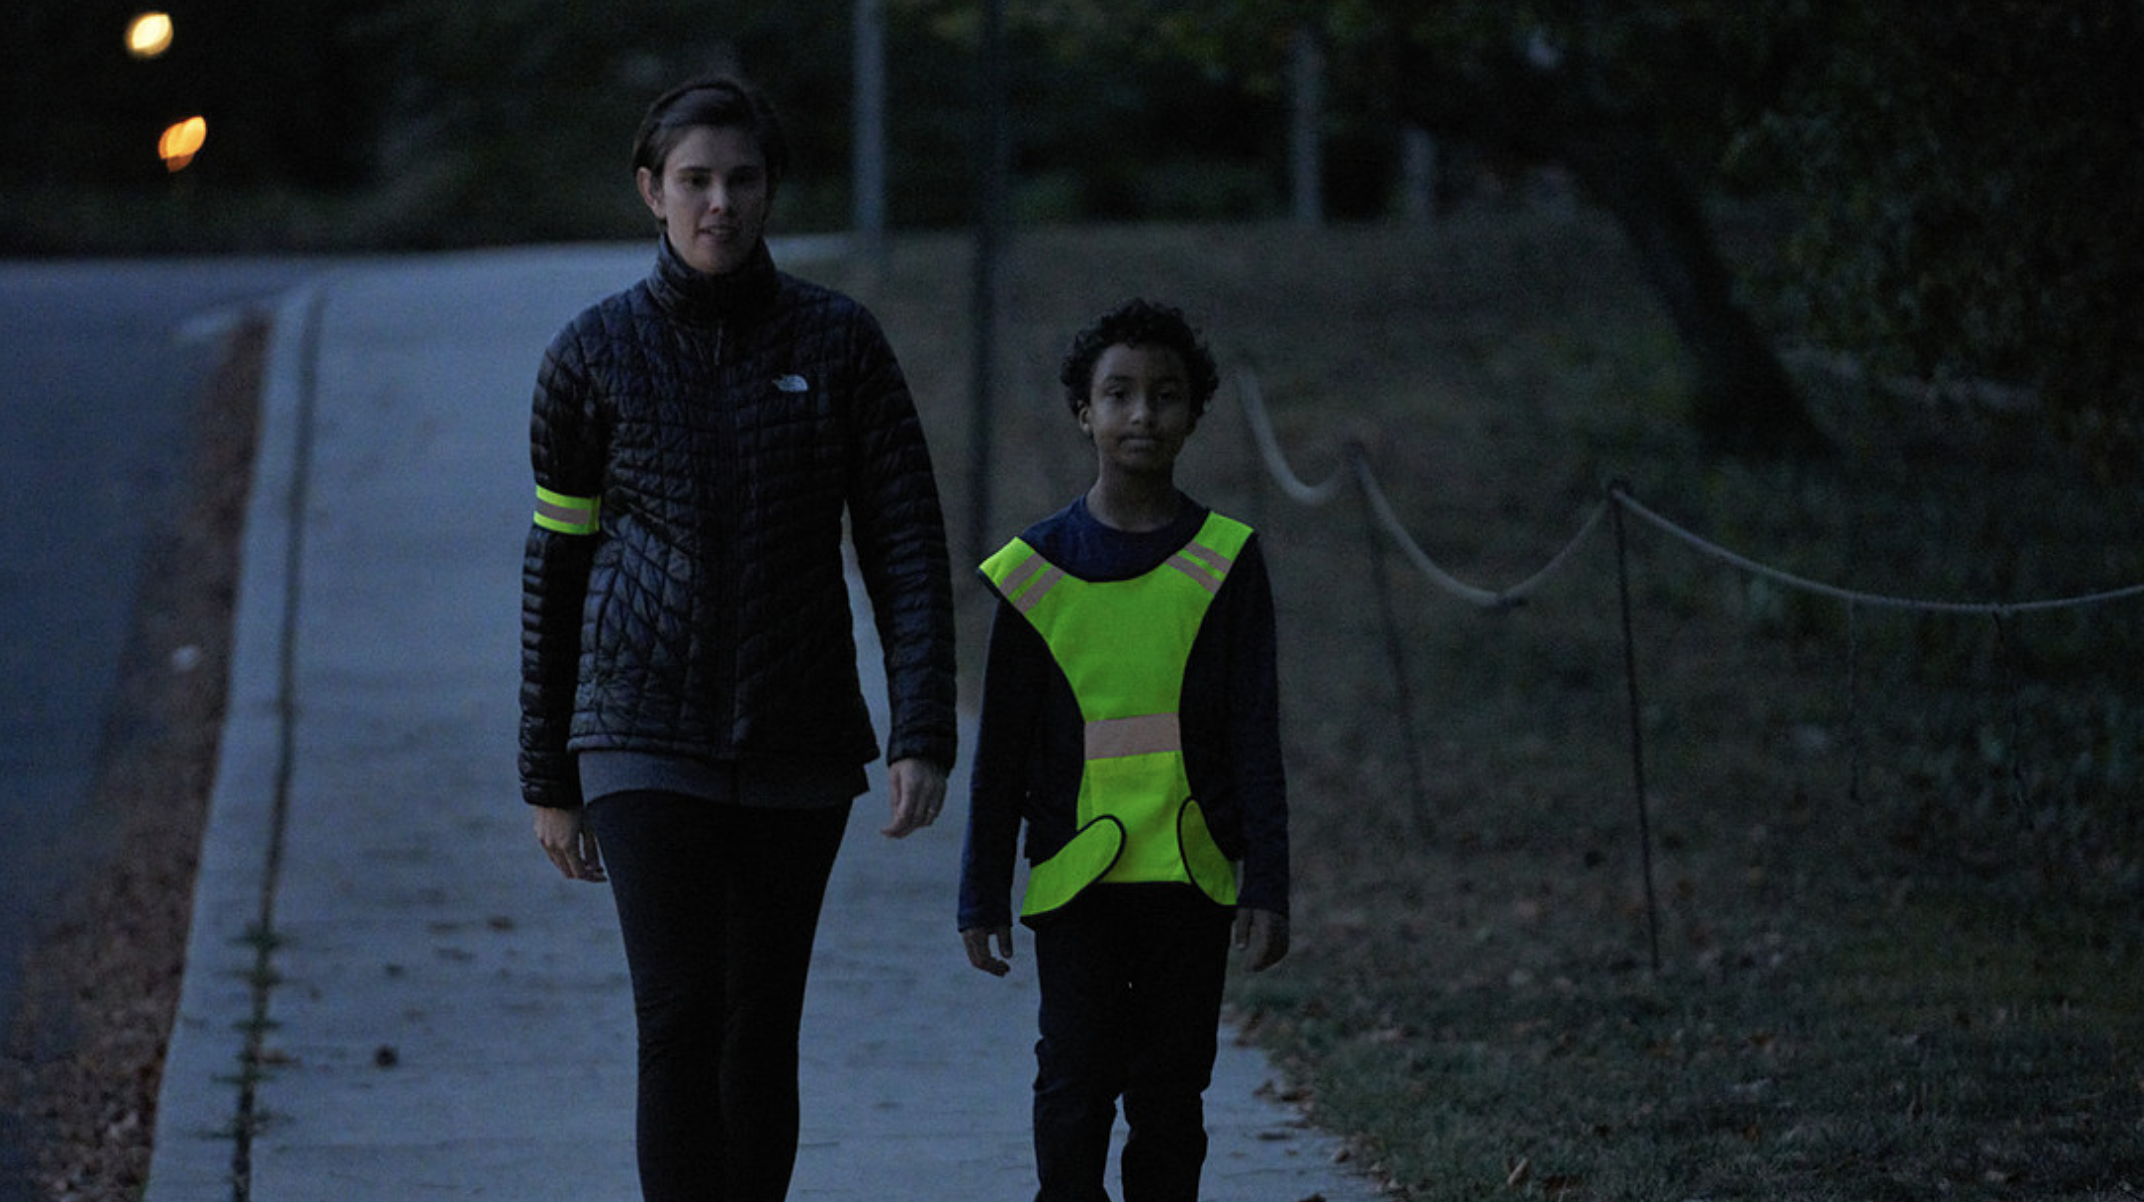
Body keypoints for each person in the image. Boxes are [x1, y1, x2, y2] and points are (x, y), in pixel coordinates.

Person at [518, 75, 958, 1202]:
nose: (719, 202)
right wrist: (546, 771)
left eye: (741, 179)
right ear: (650, 193)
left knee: (761, 1021)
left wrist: (922, 725)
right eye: (694, 181)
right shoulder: (591, 355)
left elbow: (903, 539)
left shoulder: (839, 342)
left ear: (769, 191)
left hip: (796, 736)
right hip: (637, 726)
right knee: (677, 1015)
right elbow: (556, 563)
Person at [958, 298, 1290, 1202]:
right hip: (1075, 883)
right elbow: (1002, 752)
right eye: (1120, 394)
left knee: (1171, 1094)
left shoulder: (1227, 559)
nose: (1142, 414)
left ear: (1193, 412)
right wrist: (981, 890)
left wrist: (1267, 883)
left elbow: (1256, 733)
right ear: (1084, 412)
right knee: (1074, 1085)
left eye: (1165, 395)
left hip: (1193, 877)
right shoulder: (1033, 569)